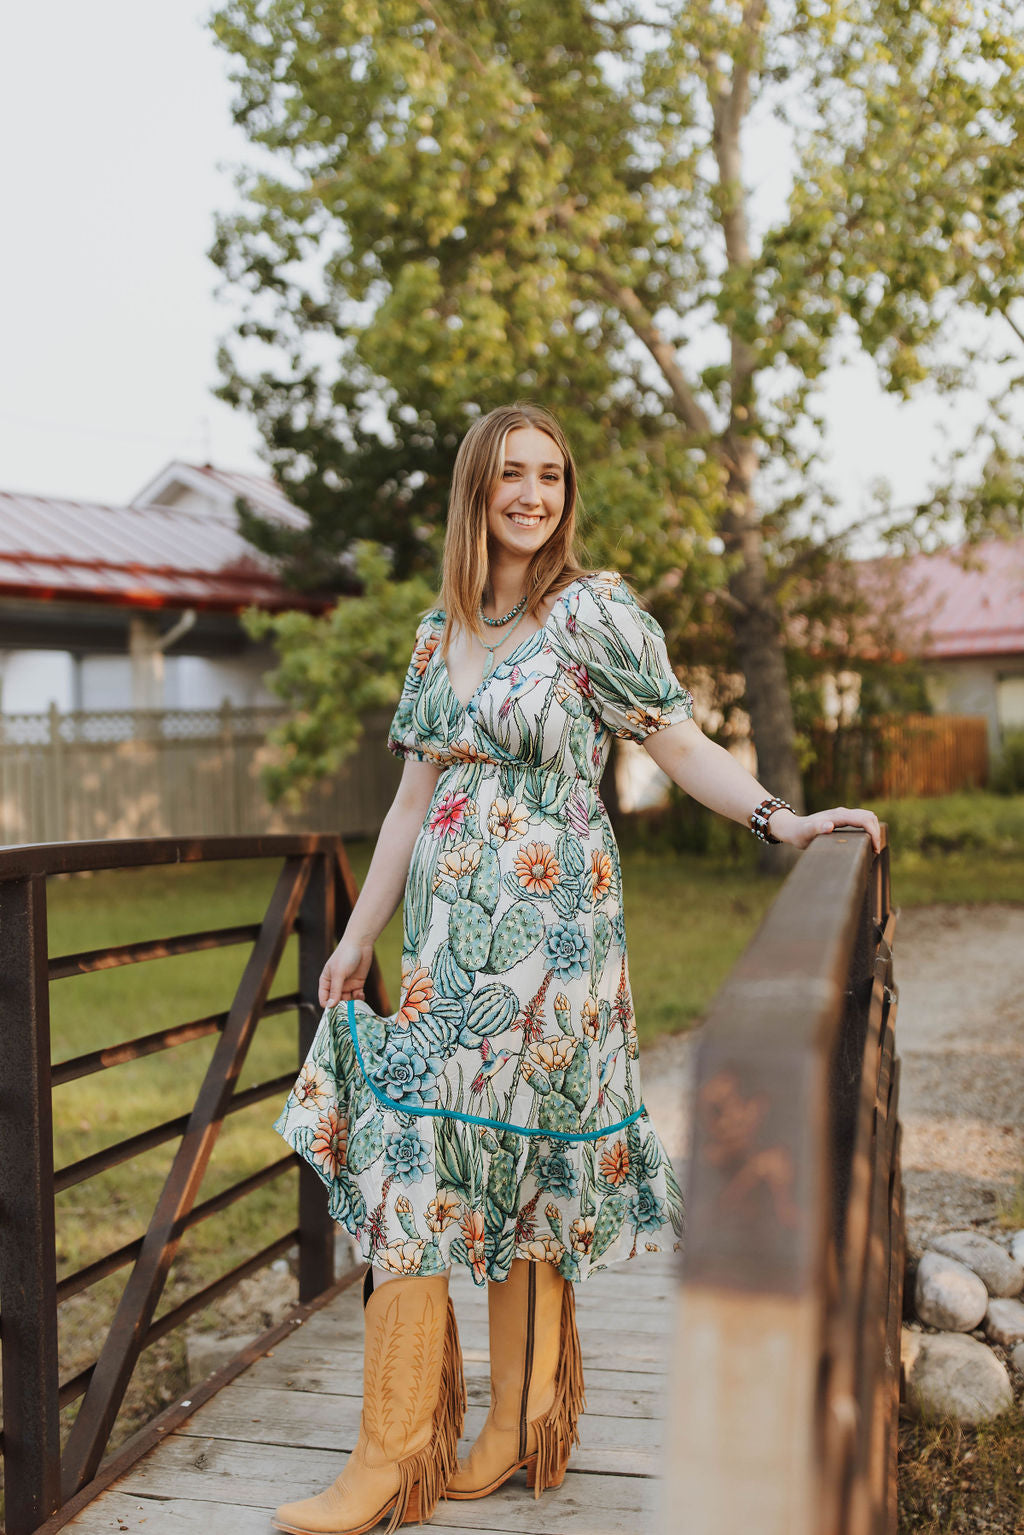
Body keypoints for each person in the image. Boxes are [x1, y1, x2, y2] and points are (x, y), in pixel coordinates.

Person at [271, 402, 882, 1535]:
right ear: (476, 488)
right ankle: (400, 1442)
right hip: (450, 954)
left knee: (528, 1170)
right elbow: (410, 800)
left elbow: (676, 740)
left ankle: (515, 1425)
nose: (533, 494)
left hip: (558, 946)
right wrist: (360, 934)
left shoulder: (592, 613)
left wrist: (782, 821)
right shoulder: (435, 630)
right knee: (413, 1154)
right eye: (511, 474)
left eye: (551, 475)